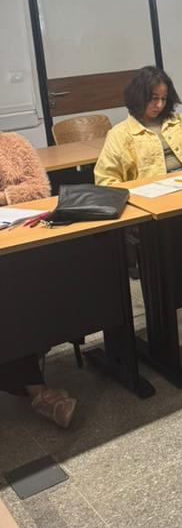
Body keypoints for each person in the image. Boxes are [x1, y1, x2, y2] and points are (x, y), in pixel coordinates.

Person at [95, 66, 182, 348]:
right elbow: (106, 181)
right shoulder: (121, 134)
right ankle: (163, 329)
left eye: (164, 98)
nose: (159, 105)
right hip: (155, 212)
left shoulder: (180, 122)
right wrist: (138, 194)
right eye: (153, 99)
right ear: (138, 97)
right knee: (174, 257)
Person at [0, 132, 78, 427]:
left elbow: (39, 188)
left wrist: (3, 197)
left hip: (18, 238)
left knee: (21, 287)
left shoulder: (12, 144)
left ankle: (32, 373)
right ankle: (39, 391)